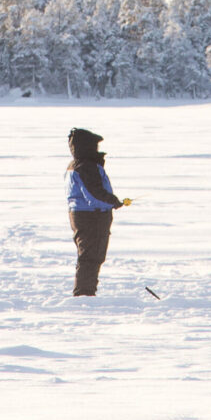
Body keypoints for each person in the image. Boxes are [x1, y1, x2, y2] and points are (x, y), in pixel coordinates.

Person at [66, 127, 127, 296]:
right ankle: (84, 294)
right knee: (91, 257)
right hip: (91, 216)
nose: (97, 150)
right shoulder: (86, 166)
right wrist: (112, 201)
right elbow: (93, 195)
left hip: (84, 215)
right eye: (95, 146)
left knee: (90, 256)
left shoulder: (78, 165)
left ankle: (85, 292)